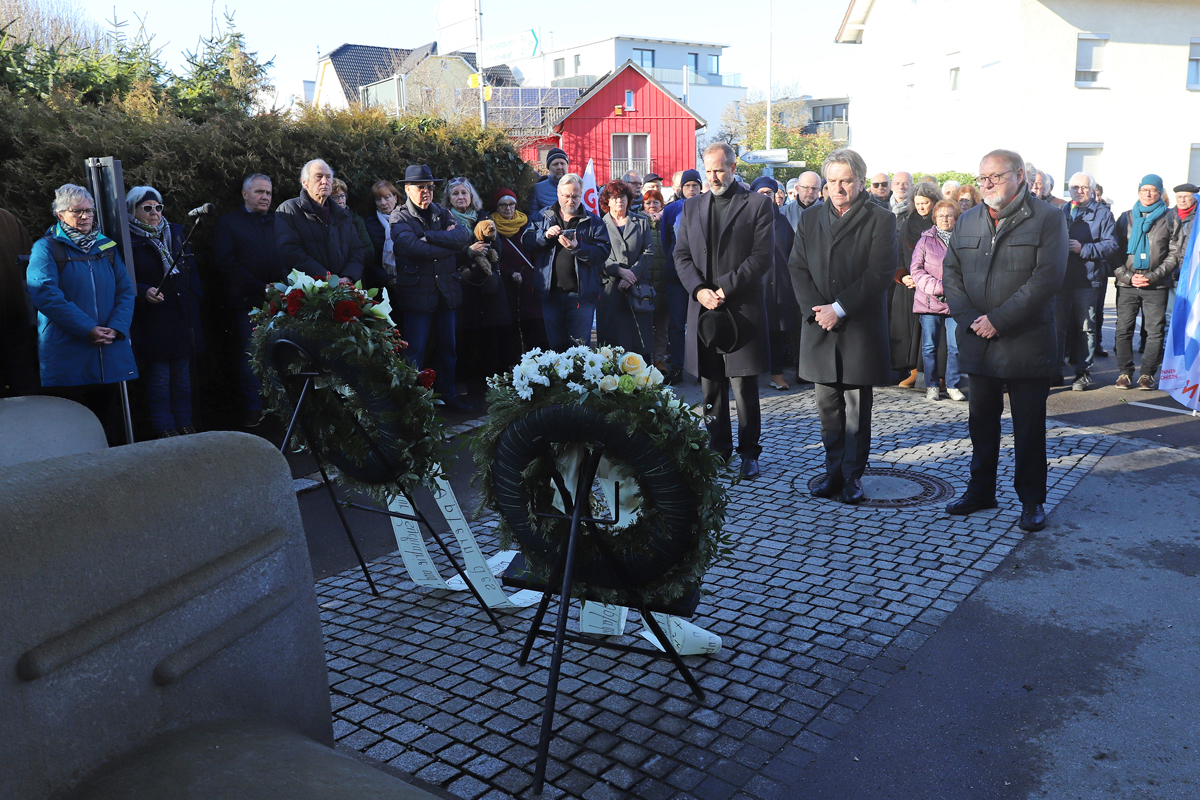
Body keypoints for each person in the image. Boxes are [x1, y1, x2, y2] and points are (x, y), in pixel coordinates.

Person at [942, 149, 1067, 532]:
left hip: (1026, 342)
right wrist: (971, 321)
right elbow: (952, 274)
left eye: (996, 176)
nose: (988, 184)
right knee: (981, 423)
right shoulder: (967, 220)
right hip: (979, 342)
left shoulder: (1048, 218)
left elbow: (1046, 279)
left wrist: (998, 320)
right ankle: (981, 490)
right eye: (983, 178)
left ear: (1019, 176)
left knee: (1029, 427)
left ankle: (1032, 501)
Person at [789, 148, 895, 503]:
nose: (837, 188)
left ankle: (853, 476)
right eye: (831, 181)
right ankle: (832, 472)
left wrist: (839, 308)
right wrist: (818, 311)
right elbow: (797, 268)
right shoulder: (811, 218)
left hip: (857, 328)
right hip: (819, 326)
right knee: (827, 410)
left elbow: (879, 274)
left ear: (860, 181)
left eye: (845, 181)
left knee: (855, 411)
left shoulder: (881, 219)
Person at [674, 142, 774, 480]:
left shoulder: (757, 204)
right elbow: (681, 256)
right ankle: (718, 449)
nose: (713, 176)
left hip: (741, 308)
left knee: (744, 386)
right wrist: (700, 290)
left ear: (733, 167)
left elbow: (762, 257)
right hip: (703, 309)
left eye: (719, 169)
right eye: (708, 170)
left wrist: (724, 288)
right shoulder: (691, 207)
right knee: (710, 386)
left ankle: (749, 452)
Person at [27, 184, 137, 445]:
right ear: (60, 214)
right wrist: (87, 328)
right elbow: (44, 293)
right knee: (72, 433)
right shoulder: (45, 249)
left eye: (89, 210)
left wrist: (117, 327)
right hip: (68, 354)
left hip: (108, 351)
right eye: (77, 211)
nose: (85, 216)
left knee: (108, 428)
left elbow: (125, 290)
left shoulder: (106, 247)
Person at [390, 164, 473, 412]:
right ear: (407, 189)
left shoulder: (443, 213)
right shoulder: (399, 217)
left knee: (449, 348)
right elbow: (413, 248)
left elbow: (463, 237)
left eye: (429, 187)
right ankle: (414, 402)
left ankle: (448, 394)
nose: (426, 192)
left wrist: (431, 237)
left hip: (446, 292)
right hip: (416, 294)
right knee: (414, 350)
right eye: (420, 187)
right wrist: (446, 245)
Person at [126, 186, 203, 438]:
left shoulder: (176, 234)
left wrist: (194, 300)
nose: (154, 213)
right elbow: (122, 279)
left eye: (158, 207)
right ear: (133, 211)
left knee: (182, 376)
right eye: (147, 208)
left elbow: (192, 272)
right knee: (159, 378)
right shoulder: (128, 240)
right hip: (152, 318)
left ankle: (185, 423)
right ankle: (164, 427)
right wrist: (142, 291)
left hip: (179, 314)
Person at [213, 173, 284, 427]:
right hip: (247, 301)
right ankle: (254, 408)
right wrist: (259, 288)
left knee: (281, 354)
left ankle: (280, 405)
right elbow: (226, 262)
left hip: (281, 300)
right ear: (245, 194)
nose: (265, 197)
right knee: (252, 356)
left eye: (268, 193)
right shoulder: (228, 224)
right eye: (259, 192)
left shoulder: (279, 221)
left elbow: (289, 253)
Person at [522, 173, 607, 351]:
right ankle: (559, 380)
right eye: (567, 196)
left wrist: (577, 247)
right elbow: (527, 242)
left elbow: (602, 253)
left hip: (581, 297)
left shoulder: (594, 221)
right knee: (555, 350)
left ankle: (578, 380)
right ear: (558, 194)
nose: (571, 200)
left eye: (575, 196)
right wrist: (544, 236)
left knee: (580, 350)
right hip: (550, 295)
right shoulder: (543, 217)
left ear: (581, 195)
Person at [1112, 174, 1181, 390]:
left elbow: (1174, 252)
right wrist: (1127, 276)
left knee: (1154, 331)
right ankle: (1124, 372)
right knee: (1123, 329)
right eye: (1144, 190)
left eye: (1153, 190)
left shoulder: (1170, 217)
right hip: (1127, 283)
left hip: (1156, 284)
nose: (1148, 194)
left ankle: (1147, 375)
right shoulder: (1125, 217)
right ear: (1138, 191)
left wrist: (1153, 276)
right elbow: (1114, 251)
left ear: (1160, 192)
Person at [444, 176, 512, 392]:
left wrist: (486, 253)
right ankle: (463, 384)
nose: (460, 197)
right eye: (455, 193)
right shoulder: (444, 221)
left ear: (471, 196)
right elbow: (445, 254)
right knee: (462, 339)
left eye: (464, 193)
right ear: (449, 199)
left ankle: (492, 385)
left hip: (488, 288)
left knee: (490, 339)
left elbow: (498, 250)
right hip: (462, 288)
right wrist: (468, 252)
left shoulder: (484, 218)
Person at [1059, 172, 1117, 391]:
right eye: (1075, 187)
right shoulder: (1062, 211)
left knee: (1086, 329)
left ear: (1092, 190)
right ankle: (1055, 370)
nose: (1079, 191)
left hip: (1087, 281)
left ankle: (1082, 372)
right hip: (1061, 280)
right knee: (1057, 328)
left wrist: (1084, 249)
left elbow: (1111, 246)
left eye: (1084, 187)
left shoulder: (1103, 213)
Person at [910, 200, 964, 401]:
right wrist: (938, 288)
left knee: (955, 346)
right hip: (929, 301)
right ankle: (932, 385)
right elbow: (916, 269)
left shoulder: (962, 239)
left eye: (949, 215)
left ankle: (952, 385)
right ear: (934, 218)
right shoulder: (925, 241)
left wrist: (955, 290)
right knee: (929, 346)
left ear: (955, 218)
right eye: (940, 215)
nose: (945, 219)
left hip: (955, 301)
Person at [276, 159, 364, 282]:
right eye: (319, 177)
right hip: (307, 292)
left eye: (328, 177)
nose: (325, 181)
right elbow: (290, 252)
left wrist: (348, 277)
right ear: (304, 182)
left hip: (343, 289)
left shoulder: (342, 214)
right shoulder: (289, 210)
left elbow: (356, 249)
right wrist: (327, 278)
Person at [595, 180, 654, 357]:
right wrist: (619, 271)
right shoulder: (598, 224)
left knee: (640, 342)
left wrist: (632, 274)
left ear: (629, 200)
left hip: (638, 291)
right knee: (612, 346)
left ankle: (643, 383)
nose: (619, 201)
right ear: (607, 201)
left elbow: (649, 252)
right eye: (614, 197)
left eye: (622, 197)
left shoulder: (642, 222)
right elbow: (596, 256)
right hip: (610, 291)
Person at [892, 183, 941, 387]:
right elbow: (899, 251)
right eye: (918, 203)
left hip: (932, 284)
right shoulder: (906, 222)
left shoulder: (940, 222)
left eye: (925, 203)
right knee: (908, 328)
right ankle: (912, 370)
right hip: (909, 284)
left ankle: (938, 375)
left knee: (932, 332)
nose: (921, 207)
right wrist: (903, 275)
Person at [752, 176, 797, 391]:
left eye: (769, 193)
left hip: (778, 285)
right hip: (751, 284)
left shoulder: (782, 222)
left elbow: (792, 253)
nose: (766, 197)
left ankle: (777, 374)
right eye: (761, 193)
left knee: (776, 332)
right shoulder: (745, 219)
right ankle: (748, 373)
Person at [491, 188, 546, 361]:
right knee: (511, 329)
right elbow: (493, 257)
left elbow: (536, 251)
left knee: (536, 328)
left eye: (511, 204)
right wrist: (509, 272)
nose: (508, 209)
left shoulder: (527, 224)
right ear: (496, 207)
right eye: (503, 205)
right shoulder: (491, 227)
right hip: (507, 287)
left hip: (530, 287)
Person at [661, 168, 704, 384]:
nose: (691, 189)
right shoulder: (671, 210)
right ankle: (677, 367)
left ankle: (700, 368)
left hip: (702, 277)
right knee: (677, 324)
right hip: (676, 275)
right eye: (687, 186)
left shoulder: (707, 207)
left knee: (700, 323)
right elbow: (665, 242)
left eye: (695, 185)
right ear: (681, 189)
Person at [0, 204, 36, 397]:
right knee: (24, 395)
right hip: (18, 322)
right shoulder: (8, 218)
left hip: (16, 322)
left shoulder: (8, 219)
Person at [362, 179, 403, 325]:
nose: (383, 203)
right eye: (378, 199)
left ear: (395, 198)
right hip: (381, 287)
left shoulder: (408, 219)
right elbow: (369, 260)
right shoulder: (369, 224)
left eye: (387, 197)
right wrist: (387, 279)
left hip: (408, 284)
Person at [642, 189, 671, 372]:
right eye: (648, 203)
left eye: (656, 202)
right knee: (646, 327)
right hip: (646, 283)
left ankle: (659, 360)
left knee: (662, 328)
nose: (652, 206)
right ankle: (644, 362)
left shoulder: (667, 223)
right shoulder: (638, 222)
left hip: (664, 282)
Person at [1167, 183, 1197, 332]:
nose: (1182, 200)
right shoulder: (1168, 216)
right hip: (1170, 273)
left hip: (1191, 274)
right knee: (1167, 316)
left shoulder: (1197, 218)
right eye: (1179, 197)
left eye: (1186, 196)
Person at [330, 178, 375, 269]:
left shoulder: (357, 220)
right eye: (335, 197)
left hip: (354, 272)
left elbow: (369, 250)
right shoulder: (323, 221)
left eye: (343, 196)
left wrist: (352, 260)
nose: (341, 201)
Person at [529, 147, 570, 217]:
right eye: (555, 164)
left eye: (562, 163)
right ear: (549, 168)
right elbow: (532, 219)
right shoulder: (537, 190)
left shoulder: (578, 187)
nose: (560, 167)